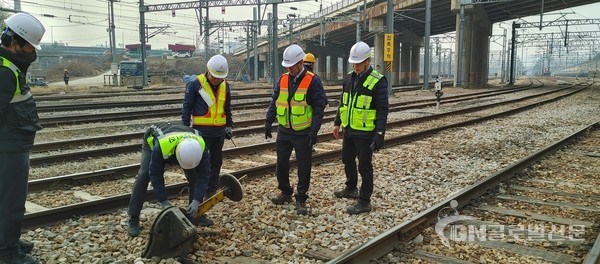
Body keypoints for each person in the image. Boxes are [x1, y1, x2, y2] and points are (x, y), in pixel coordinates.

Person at [0, 12, 45, 264]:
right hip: (8, 145)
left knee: (7, 197)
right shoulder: (4, 72)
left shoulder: (10, 65)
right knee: (11, 201)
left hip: (12, 142)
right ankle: (7, 252)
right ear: (14, 42)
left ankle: (9, 241)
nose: (31, 51)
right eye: (28, 45)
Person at [265, 44, 327, 215]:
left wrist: (314, 131)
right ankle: (285, 191)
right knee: (281, 164)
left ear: (300, 63)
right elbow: (275, 100)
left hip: (303, 132)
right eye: (287, 66)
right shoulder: (283, 79)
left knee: (304, 166)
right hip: (284, 130)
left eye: (291, 66)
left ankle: (301, 197)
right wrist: (268, 121)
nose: (289, 69)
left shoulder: (313, 81)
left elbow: (319, 107)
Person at [332, 41, 389, 215]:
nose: (355, 66)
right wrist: (337, 122)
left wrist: (379, 133)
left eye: (358, 63)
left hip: (365, 133)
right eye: (353, 63)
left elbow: (382, 109)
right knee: (347, 160)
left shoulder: (378, 81)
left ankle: (364, 201)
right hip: (349, 129)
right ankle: (351, 188)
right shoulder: (349, 78)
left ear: (368, 61)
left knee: (364, 167)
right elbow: (344, 102)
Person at [127, 122, 211, 237]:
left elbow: (204, 173)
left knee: (195, 176)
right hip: (154, 138)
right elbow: (155, 174)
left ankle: (195, 215)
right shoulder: (161, 147)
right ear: (176, 154)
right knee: (143, 176)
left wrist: (197, 200)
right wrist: (164, 202)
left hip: (181, 137)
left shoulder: (201, 145)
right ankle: (133, 218)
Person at [182, 54, 233, 199]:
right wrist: (185, 129)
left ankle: (211, 190)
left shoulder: (225, 85)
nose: (217, 80)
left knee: (216, 162)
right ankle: (198, 192)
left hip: (219, 133)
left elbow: (227, 108)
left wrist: (229, 126)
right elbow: (187, 108)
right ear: (208, 71)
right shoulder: (195, 84)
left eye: (220, 77)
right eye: (214, 76)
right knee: (201, 165)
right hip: (201, 133)